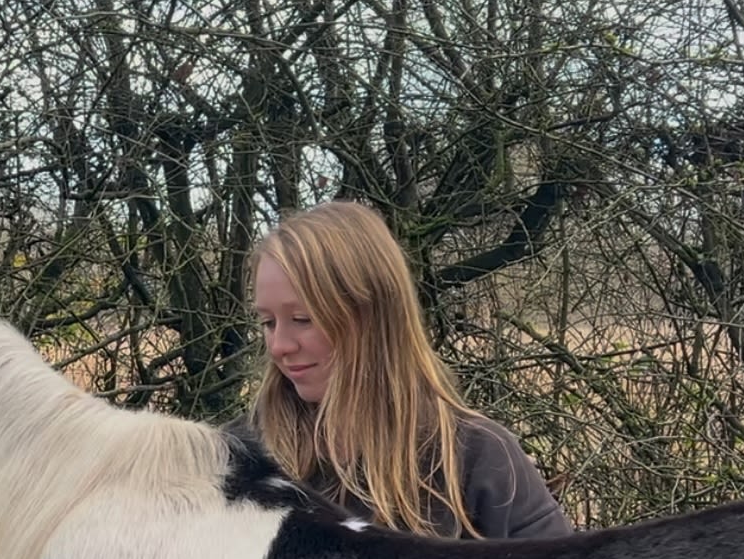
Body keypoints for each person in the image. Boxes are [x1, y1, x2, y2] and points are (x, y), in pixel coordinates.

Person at [243, 198, 571, 540]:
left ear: (373, 317)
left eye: (302, 319)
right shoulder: (243, 459)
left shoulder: (479, 457)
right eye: (268, 322)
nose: (279, 346)